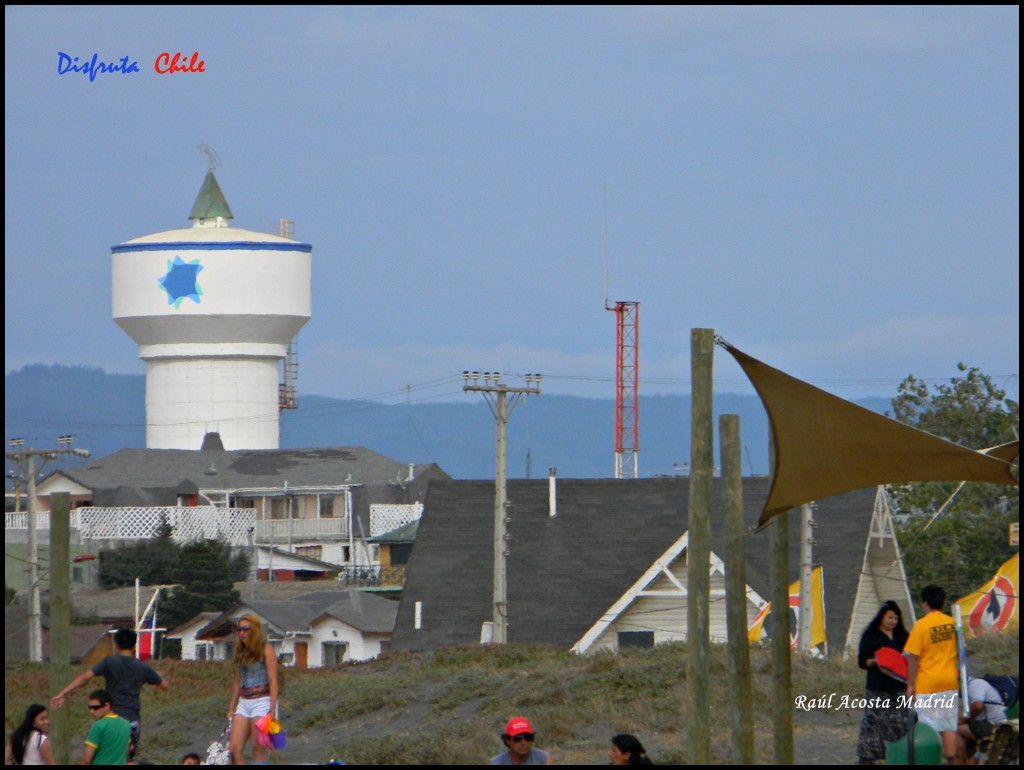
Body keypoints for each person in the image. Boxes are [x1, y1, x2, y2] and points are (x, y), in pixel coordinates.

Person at [52, 627, 168, 761]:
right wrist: (159, 676)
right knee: (127, 760)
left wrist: (63, 693)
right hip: (131, 720)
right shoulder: (142, 667)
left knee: (104, 757)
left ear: (117, 644)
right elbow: (164, 686)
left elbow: (85, 677)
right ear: (134, 645)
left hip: (110, 719)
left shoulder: (109, 662)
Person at [905, 585, 960, 765]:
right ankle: (951, 760)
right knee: (949, 725)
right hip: (950, 681)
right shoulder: (952, 623)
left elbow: (913, 657)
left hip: (928, 683)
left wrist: (910, 684)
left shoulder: (921, 625)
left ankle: (933, 760)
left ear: (925, 603)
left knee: (930, 728)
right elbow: (962, 653)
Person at [855, 600, 910, 764]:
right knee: (872, 723)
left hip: (899, 687)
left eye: (895, 618)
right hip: (878, 688)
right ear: (881, 618)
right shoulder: (870, 636)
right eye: (890, 618)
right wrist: (876, 661)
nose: (893, 621)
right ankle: (867, 757)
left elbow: (911, 657)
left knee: (898, 723)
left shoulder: (903, 636)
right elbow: (862, 662)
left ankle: (895, 756)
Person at [226, 614, 279, 765]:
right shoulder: (241, 651)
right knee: (234, 749)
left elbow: (273, 680)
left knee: (258, 749)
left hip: (262, 701)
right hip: (244, 702)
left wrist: (272, 709)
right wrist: (231, 708)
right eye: (240, 629)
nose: (242, 633)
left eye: (246, 629)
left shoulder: (266, 649)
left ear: (254, 630)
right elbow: (238, 681)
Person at [957, 676, 1009, 763]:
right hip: (988, 725)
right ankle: (969, 760)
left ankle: (958, 761)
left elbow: (978, 706)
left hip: (994, 726)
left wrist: (964, 720)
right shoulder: (964, 693)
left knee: (954, 730)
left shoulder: (975, 684)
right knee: (965, 736)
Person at [81, 689, 132, 766]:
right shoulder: (126, 724)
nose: (91, 711)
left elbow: (86, 760)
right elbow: (125, 753)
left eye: (96, 707)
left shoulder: (98, 726)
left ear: (107, 706)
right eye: (90, 707)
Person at [491, 717, 555, 765]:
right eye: (517, 739)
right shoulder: (495, 763)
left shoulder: (545, 760)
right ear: (508, 740)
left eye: (528, 737)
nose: (523, 742)